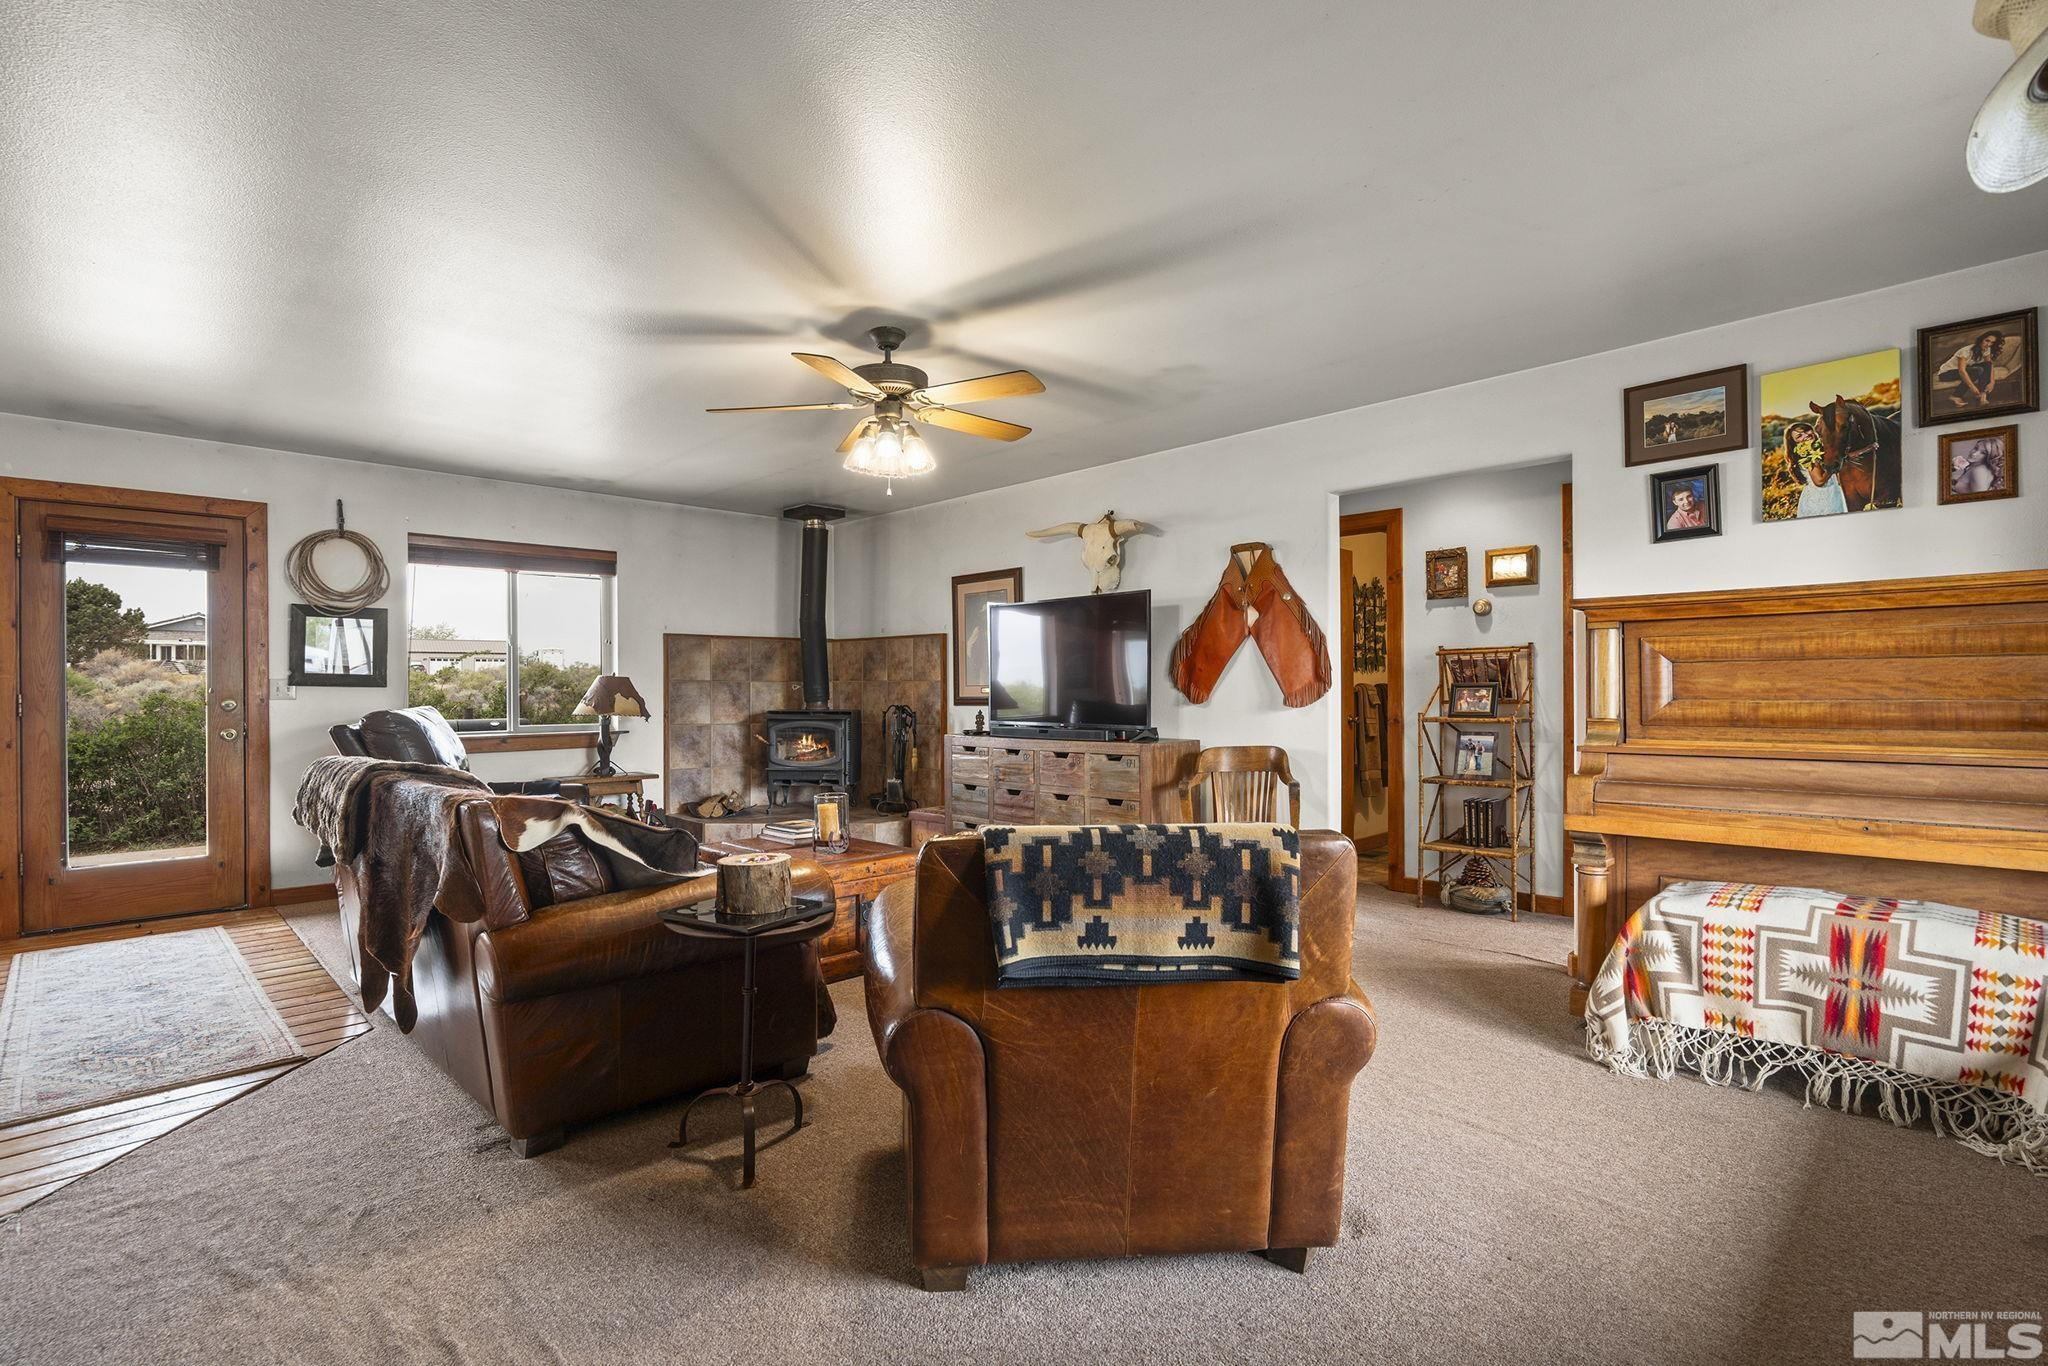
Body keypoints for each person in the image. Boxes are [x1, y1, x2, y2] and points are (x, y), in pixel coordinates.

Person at [1787, 422, 1847, 517]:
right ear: (1795, 443)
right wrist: (1835, 464)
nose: (1806, 435)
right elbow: (1819, 481)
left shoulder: (1819, 447)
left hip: (1832, 493)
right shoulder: (1807, 453)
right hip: (1821, 499)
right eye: (1799, 436)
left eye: (1806, 431)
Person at [1936, 330, 2006, 409]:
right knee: (1977, 371)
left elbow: (1989, 365)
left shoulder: (1987, 349)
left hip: (1965, 370)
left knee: (1986, 364)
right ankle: (1955, 396)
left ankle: (1983, 396)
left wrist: (1992, 382)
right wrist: (1973, 387)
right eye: (1987, 341)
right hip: (1946, 373)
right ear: (1981, 339)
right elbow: (1962, 371)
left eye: (1992, 343)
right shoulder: (1965, 351)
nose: (1988, 344)